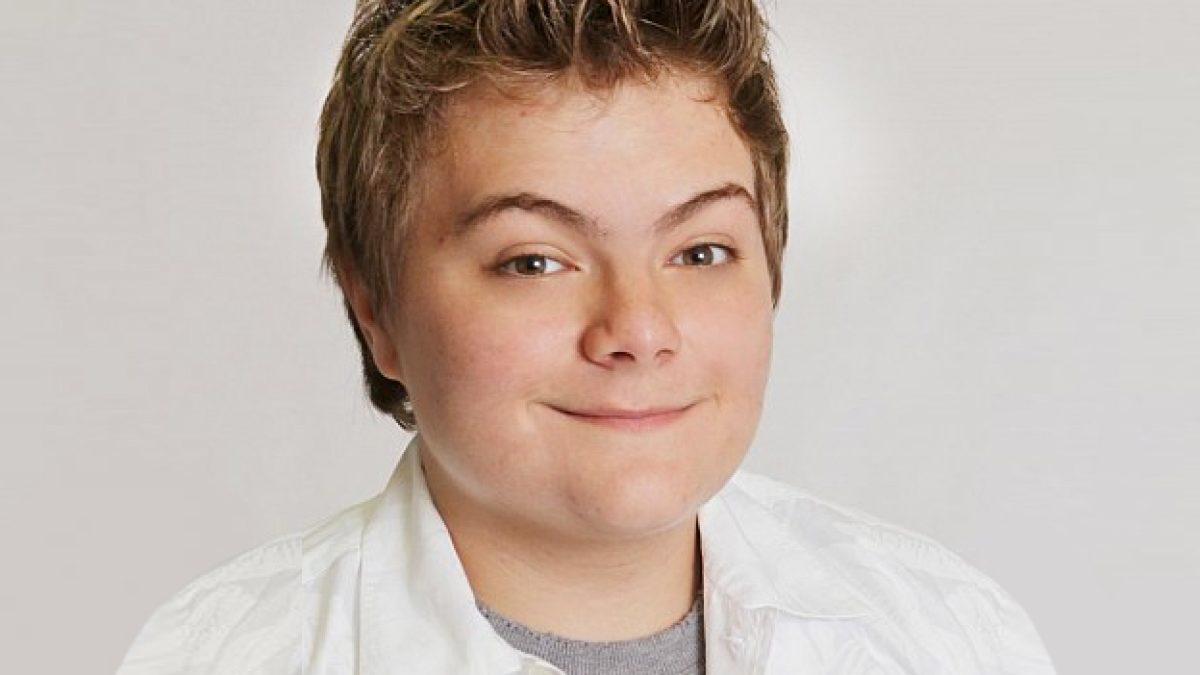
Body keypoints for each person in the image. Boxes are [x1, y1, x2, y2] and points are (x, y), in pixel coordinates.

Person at [117, 1, 1056, 673]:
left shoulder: (951, 636)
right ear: (378, 312)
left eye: (700, 250)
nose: (638, 330)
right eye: (534, 260)